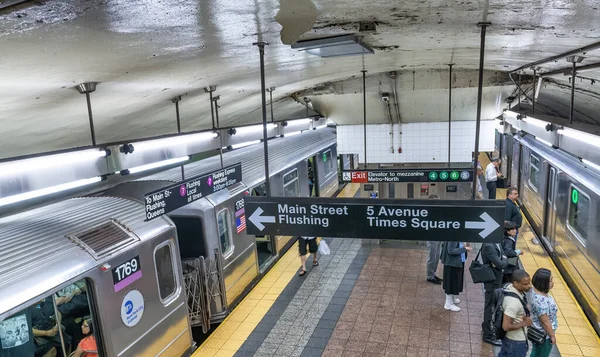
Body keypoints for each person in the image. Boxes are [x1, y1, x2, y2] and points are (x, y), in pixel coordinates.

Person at [498, 269, 533, 357]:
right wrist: (524, 323)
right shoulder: (513, 303)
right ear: (516, 283)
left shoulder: (511, 289)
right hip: (515, 342)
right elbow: (506, 326)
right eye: (525, 284)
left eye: (529, 283)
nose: (529, 286)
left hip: (511, 342)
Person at [481, 238, 509, 346]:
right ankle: (487, 335)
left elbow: (502, 258)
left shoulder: (496, 242)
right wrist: (504, 259)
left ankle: (486, 326)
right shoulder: (489, 245)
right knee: (490, 306)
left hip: (496, 278)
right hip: (492, 280)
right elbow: (501, 264)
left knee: (492, 305)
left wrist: (502, 259)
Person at [530, 268, 558, 357]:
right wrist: (552, 336)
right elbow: (545, 322)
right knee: (541, 354)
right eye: (550, 280)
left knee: (536, 352)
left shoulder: (537, 292)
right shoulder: (541, 302)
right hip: (543, 335)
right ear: (543, 283)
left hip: (538, 332)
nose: (552, 282)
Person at [440, 241, 472, 312]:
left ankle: (452, 298)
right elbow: (450, 250)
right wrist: (465, 249)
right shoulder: (453, 235)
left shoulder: (457, 234)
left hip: (457, 262)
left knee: (455, 281)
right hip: (452, 263)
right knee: (451, 282)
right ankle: (448, 303)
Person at [425, 194, 443, 284]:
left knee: (436, 256)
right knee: (432, 257)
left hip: (438, 236)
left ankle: (433, 273)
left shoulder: (438, 211)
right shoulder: (428, 212)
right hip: (431, 237)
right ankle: (430, 276)